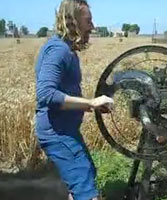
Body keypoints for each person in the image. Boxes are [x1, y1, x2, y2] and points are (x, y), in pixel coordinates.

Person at [34, 0, 113, 199]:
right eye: (88, 21)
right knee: (85, 190)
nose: (92, 27)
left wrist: (92, 106)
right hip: (57, 133)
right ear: (72, 22)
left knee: (86, 175)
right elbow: (46, 94)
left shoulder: (65, 48)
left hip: (64, 131)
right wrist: (90, 103)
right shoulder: (59, 50)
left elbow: (61, 93)